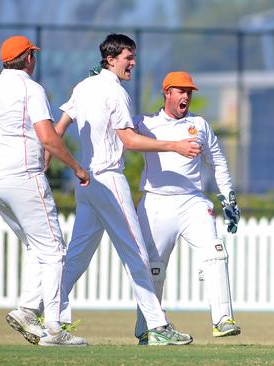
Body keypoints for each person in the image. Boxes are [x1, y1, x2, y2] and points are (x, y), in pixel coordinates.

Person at [53, 34, 200, 345]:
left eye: (133, 57)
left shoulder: (83, 86)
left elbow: (58, 129)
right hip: (108, 181)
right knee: (137, 253)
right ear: (110, 59)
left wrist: (51, 160)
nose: (133, 63)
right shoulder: (114, 92)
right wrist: (173, 145)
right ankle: (158, 326)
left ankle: (43, 313)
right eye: (127, 58)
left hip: (87, 182)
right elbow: (130, 141)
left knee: (77, 255)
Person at [0, 35, 89, 346]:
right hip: (24, 177)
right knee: (55, 251)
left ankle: (27, 310)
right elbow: (47, 137)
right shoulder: (31, 89)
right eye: (33, 54)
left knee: (37, 247)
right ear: (29, 57)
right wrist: (76, 167)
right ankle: (56, 330)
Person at [131, 71, 241, 345]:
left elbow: (217, 161)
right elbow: (121, 137)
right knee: (154, 268)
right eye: (180, 91)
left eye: (189, 92)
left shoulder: (199, 124)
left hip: (192, 201)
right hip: (156, 201)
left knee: (215, 254)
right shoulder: (145, 123)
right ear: (166, 93)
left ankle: (222, 320)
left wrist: (228, 197)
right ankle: (147, 328)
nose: (186, 97)